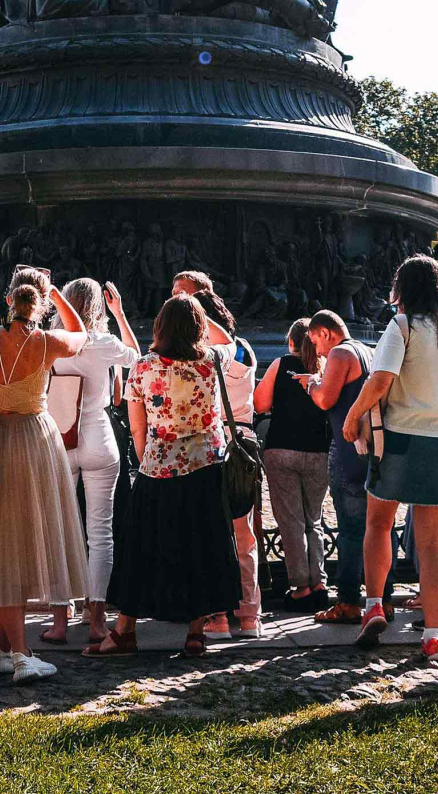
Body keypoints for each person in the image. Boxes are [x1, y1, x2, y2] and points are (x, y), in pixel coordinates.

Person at [0, 269, 92, 684]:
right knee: (26, 538)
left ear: (8, 302)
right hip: (36, 440)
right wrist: (56, 295)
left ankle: (1, 650)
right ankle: (23, 654)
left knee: (2, 539)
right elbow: (80, 334)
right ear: (40, 306)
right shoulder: (46, 342)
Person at [342, 254, 438, 664]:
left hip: (399, 440)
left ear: (403, 289)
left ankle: (375, 604)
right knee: (432, 543)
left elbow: (381, 379)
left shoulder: (401, 327)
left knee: (378, 524)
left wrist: (352, 416)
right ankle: (434, 635)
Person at [93, 293, 242, 658]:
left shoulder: (144, 367)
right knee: (201, 548)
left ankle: (125, 630)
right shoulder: (211, 362)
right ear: (199, 328)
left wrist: (147, 458)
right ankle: (195, 633)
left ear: (159, 327)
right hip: (206, 466)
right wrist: (201, 310)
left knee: (142, 549)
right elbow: (232, 343)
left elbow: (137, 426)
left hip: (158, 465)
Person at [44, 277, 139, 645]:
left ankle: (58, 621)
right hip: (100, 437)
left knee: (59, 528)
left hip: (60, 439)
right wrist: (120, 313)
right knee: (100, 534)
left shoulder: (53, 344)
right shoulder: (104, 343)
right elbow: (136, 355)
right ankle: (98, 620)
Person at [172, 270, 262, 637]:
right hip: (245, 447)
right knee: (244, 536)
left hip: (215, 447)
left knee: (213, 534)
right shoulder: (247, 349)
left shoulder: (214, 354)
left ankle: (217, 616)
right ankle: (250, 615)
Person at [257, 318, 331, 607]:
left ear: (291, 342)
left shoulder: (282, 363)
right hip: (319, 452)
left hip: (282, 449)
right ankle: (320, 581)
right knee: (314, 519)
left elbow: (261, 404)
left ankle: (300, 586)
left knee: (291, 521)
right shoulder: (326, 367)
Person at [306, 310, 372, 624]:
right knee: (377, 529)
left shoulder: (341, 352)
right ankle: (380, 600)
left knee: (350, 529)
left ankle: (348, 602)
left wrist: (311, 384)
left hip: (348, 451)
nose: (317, 350)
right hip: (372, 451)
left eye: (315, 340)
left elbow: (326, 400)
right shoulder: (368, 351)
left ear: (327, 333)